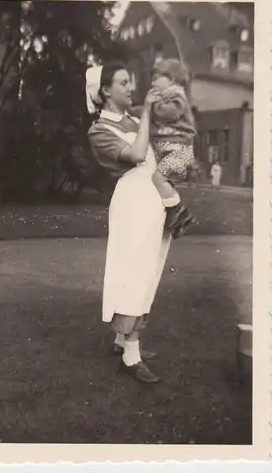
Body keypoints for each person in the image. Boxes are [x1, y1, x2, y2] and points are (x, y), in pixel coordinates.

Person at [86, 61, 172, 384]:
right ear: (107, 91)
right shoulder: (99, 130)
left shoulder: (132, 119)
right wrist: (148, 112)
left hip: (150, 198)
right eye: (123, 83)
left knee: (149, 269)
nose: (130, 87)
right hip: (131, 202)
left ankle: (123, 339)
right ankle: (130, 356)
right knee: (134, 272)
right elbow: (136, 155)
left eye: (130, 82)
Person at [148, 58, 197, 237]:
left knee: (158, 178)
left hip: (179, 150)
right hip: (170, 150)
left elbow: (167, 113)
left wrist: (154, 104)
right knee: (160, 183)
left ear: (172, 80)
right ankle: (174, 217)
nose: (152, 83)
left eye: (156, 78)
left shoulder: (177, 96)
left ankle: (178, 210)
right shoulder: (163, 97)